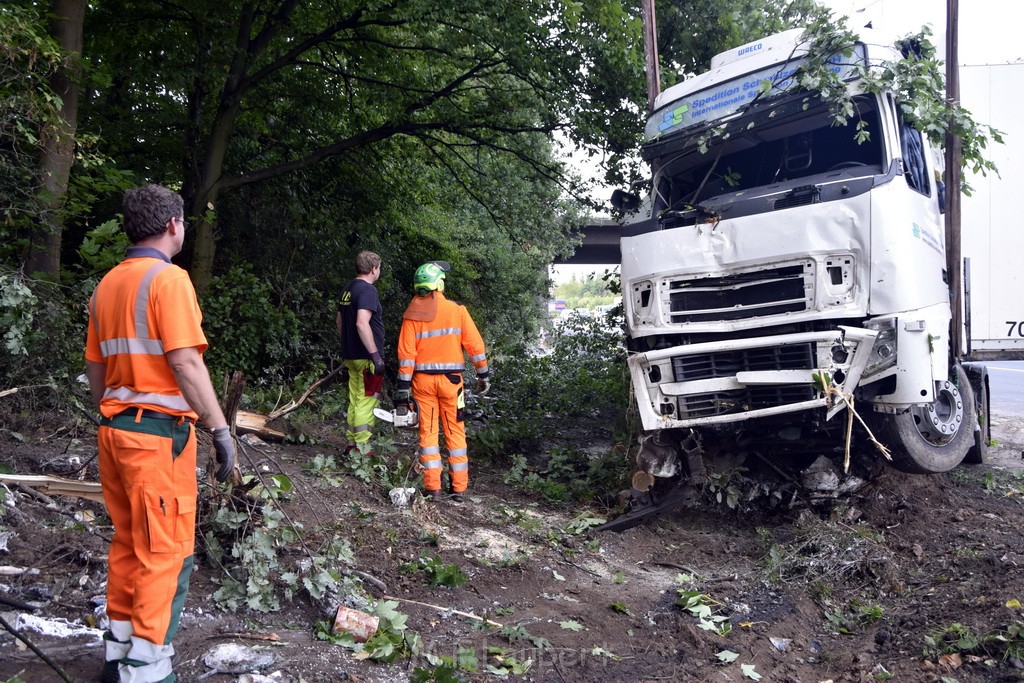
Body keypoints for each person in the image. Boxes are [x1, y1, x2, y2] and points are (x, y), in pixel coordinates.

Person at [84, 184, 235, 683]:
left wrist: (115, 411)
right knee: (167, 552)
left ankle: (119, 655)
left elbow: (95, 368)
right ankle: (147, 671)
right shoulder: (169, 281)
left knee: (129, 542)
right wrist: (219, 427)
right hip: (157, 437)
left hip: (115, 431)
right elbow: (186, 361)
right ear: (173, 225)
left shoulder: (108, 284)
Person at [395, 261, 490, 502]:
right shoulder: (457, 310)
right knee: (455, 431)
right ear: (439, 284)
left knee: (427, 433)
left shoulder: (411, 315)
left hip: (422, 383)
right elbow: (475, 346)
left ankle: (433, 488)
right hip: (452, 382)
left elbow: (406, 355)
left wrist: (403, 388)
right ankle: (458, 489)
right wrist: (482, 374)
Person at [336, 251, 385, 452]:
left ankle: (351, 443)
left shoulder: (347, 290)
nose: (379, 271)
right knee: (366, 400)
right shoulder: (367, 291)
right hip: (366, 357)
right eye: (379, 267)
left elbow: (339, 322)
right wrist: (375, 355)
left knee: (355, 399)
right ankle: (363, 447)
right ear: (373, 269)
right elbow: (362, 323)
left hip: (351, 355)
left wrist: (348, 343)